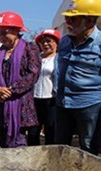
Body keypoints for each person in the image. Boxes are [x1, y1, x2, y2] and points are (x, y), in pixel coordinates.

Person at [0, 11, 41, 148]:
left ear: (16, 31)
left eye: (5, 32)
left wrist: (10, 91)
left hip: (20, 106)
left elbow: (32, 75)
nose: (1, 37)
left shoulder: (30, 49)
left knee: (18, 144)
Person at [54, 0, 101, 155]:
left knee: (89, 147)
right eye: (67, 18)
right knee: (59, 147)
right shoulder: (65, 41)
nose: (68, 23)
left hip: (90, 105)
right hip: (63, 103)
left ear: (90, 20)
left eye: (73, 19)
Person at [27, 29, 61, 146]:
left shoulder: (59, 59)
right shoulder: (36, 58)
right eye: (42, 42)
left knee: (51, 131)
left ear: (56, 43)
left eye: (49, 41)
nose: (45, 44)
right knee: (32, 132)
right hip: (34, 99)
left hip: (51, 100)